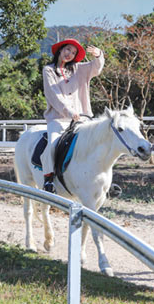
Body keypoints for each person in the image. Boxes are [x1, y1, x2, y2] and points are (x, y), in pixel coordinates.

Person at [41, 38, 104, 193]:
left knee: (97, 143)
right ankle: (48, 179)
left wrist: (98, 55)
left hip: (82, 119)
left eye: (74, 52)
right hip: (58, 119)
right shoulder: (48, 70)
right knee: (53, 145)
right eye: (68, 49)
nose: (70, 54)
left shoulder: (78, 69)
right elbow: (53, 94)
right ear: (61, 50)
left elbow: (95, 68)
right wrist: (68, 111)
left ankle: (100, 180)